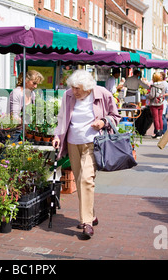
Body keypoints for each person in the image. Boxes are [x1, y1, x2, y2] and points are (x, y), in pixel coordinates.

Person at [52, 70, 120, 239]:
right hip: (73, 143)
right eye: (73, 88)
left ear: (88, 87)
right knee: (78, 179)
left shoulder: (102, 94)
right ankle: (92, 215)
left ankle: (87, 222)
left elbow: (115, 115)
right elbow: (61, 118)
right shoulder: (68, 96)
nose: (75, 92)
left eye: (78, 89)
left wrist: (103, 122)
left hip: (93, 143)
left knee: (86, 179)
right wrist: (56, 136)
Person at [147, 72, 166, 139]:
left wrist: (147, 96)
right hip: (161, 103)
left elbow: (151, 95)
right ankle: (161, 131)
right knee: (160, 118)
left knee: (156, 118)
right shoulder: (162, 85)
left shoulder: (153, 86)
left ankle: (157, 132)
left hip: (154, 104)